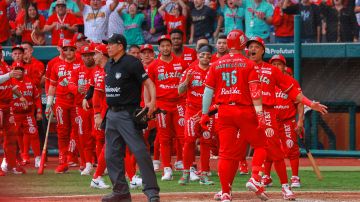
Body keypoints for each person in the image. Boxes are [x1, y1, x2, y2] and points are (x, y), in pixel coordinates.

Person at [246, 36, 328, 200]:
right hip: (247, 113)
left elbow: (292, 92)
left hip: (268, 113)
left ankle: (283, 186)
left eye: (256, 46)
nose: (252, 49)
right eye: (250, 46)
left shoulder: (272, 70)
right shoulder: (243, 66)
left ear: (263, 50)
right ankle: (227, 189)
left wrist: (310, 104)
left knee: (275, 152)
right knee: (232, 150)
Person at [201, 30, 268, 201]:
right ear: (243, 44)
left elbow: (207, 92)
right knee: (261, 145)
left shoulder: (215, 64)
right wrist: (260, 114)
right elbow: (255, 92)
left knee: (225, 154)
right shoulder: (249, 64)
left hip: (224, 112)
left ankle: (225, 192)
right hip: (244, 110)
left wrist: (204, 114)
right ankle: (254, 177)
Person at [101, 33, 159, 202]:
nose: (108, 46)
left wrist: (151, 102)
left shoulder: (132, 62)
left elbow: (149, 83)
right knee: (111, 155)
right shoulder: (109, 65)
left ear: (120, 46)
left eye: (110, 44)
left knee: (140, 151)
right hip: (111, 114)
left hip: (127, 113)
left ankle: (152, 191)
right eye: (107, 44)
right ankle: (120, 192)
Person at [147, 35, 187, 181]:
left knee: (184, 137)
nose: (165, 48)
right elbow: (149, 86)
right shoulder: (153, 66)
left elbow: (186, 84)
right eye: (162, 46)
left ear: (171, 46)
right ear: (159, 48)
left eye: (167, 45)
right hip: (162, 105)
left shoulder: (181, 64)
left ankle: (187, 168)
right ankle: (167, 169)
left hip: (179, 104)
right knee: (164, 138)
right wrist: (150, 103)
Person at [177, 44, 215, 186]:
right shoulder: (190, 70)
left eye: (208, 55)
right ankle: (186, 173)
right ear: (198, 55)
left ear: (211, 57)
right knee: (189, 141)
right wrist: (187, 81)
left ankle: (204, 174)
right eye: (202, 54)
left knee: (206, 143)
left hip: (208, 113)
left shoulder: (214, 70)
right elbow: (180, 91)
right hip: (192, 112)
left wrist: (209, 111)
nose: (205, 57)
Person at [46, 39, 83, 174]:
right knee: (62, 132)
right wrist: (49, 105)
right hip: (61, 102)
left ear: (75, 50)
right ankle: (63, 162)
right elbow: (52, 85)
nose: (68, 52)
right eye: (65, 49)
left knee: (79, 131)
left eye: (71, 49)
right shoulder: (56, 65)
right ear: (62, 50)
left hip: (77, 101)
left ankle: (83, 162)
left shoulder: (81, 64)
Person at [270, 54, 303, 188]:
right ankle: (266, 177)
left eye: (279, 64)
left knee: (291, 148)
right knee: (268, 149)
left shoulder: (291, 82)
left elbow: (300, 103)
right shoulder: (266, 81)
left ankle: (295, 177)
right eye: (274, 64)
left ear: (284, 66)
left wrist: (300, 121)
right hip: (271, 120)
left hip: (287, 121)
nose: (276, 66)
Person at [10, 62, 42, 169]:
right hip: (14, 114)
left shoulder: (30, 82)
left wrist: (39, 112)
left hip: (28, 114)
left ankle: (37, 158)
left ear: (24, 71)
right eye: (16, 69)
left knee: (34, 133)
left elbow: (36, 98)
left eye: (21, 69)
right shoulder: (9, 82)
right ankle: (20, 157)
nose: (19, 72)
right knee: (15, 135)